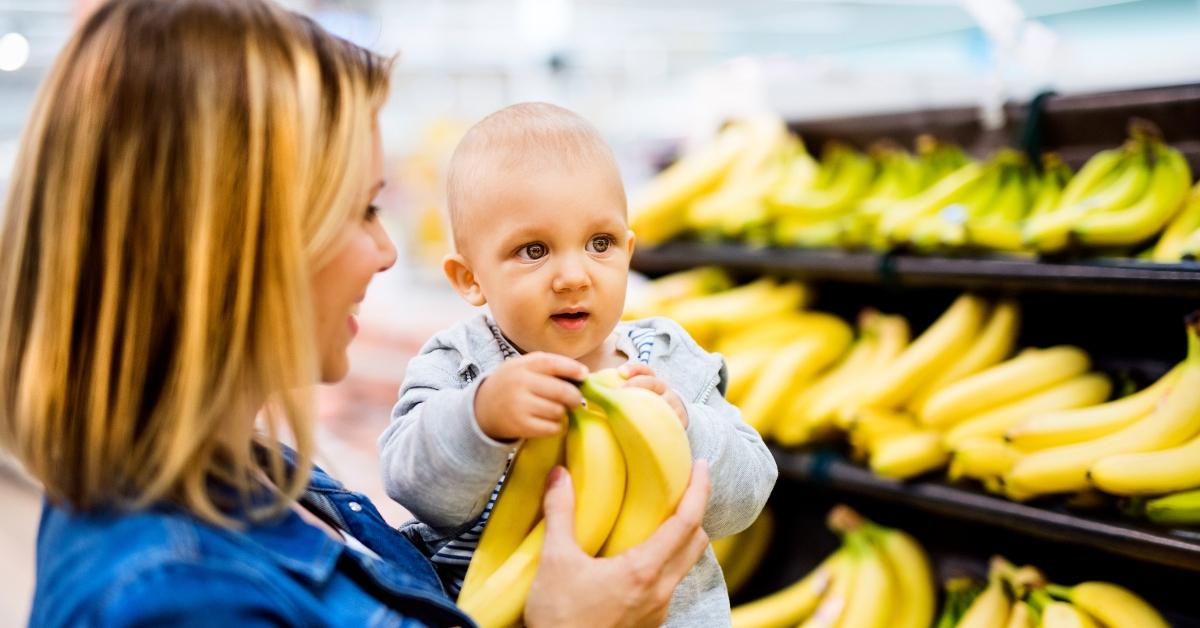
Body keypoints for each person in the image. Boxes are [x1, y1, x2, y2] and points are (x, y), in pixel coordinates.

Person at [0, 1, 711, 626]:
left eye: (599, 243)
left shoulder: (256, 476)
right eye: (363, 209)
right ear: (239, 241)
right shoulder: (180, 599)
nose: (384, 253)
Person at [378, 102, 778, 626]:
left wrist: (685, 426)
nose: (573, 276)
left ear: (629, 251)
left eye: (600, 243)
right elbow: (413, 486)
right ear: (469, 278)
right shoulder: (460, 366)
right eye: (534, 249)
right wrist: (481, 419)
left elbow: (745, 500)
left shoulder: (668, 358)